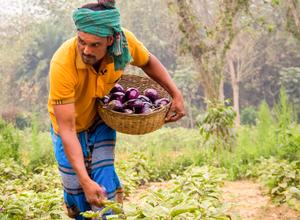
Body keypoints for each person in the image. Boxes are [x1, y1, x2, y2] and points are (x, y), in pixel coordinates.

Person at [47, 0, 185, 219]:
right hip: (69, 127)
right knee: (76, 187)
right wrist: (84, 180)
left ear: (110, 40)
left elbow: (148, 62)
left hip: (100, 119)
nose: (86, 49)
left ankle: (109, 213)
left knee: (103, 177)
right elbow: (67, 128)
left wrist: (176, 94)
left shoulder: (124, 44)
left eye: (95, 45)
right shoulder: (62, 64)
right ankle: (73, 199)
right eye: (82, 41)